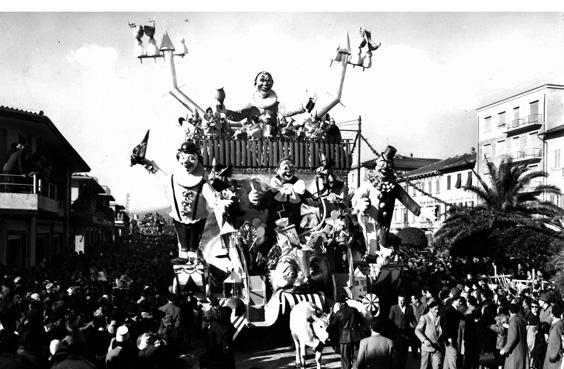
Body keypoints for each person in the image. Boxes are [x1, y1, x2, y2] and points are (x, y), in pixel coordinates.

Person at [351, 146, 420, 261]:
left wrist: (422, 211)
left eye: (388, 166)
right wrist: (359, 204)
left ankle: (379, 267)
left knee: (382, 248)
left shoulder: (393, 186)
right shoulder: (368, 185)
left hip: (383, 225)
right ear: (376, 166)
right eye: (382, 165)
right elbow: (354, 200)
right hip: (368, 222)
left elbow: (407, 201)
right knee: (370, 245)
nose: (385, 169)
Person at [328, 295, 365, 369]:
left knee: (345, 360)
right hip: (356, 337)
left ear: (340, 303)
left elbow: (332, 327)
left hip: (344, 339)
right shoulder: (354, 310)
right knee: (356, 358)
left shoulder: (339, 313)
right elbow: (362, 321)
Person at [389, 293, 418, 368]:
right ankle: (398, 365)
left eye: (403, 301)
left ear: (405, 300)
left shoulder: (409, 308)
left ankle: (403, 364)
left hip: (406, 332)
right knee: (398, 350)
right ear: (398, 300)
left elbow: (412, 319)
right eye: (400, 301)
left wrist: (417, 327)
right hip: (397, 333)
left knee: (405, 349)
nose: (401, 302)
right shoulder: (394, 308)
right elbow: (390, 321)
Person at [498, 303, 529, 369]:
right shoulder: (521, 319)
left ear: (509, 311)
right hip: (522, 350)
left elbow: (513, 338)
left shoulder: (513, 320)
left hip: (514, 352)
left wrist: (504, 349)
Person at [415, 300, 443, 369]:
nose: (437, 311)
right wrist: (424, 340)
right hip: (427, 347)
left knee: (437, 366)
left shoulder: (441, 317)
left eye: (438, 309)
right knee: (424, 367)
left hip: (438, 347)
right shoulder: (425, 317)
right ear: (430, 309)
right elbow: (417, 330)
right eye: (435, 309)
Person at [442, 295, 465, 369]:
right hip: (451, 338)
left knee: (447, 359)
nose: (460, 302)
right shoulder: (450, 311)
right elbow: (447, 325)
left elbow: (463, 317)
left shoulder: (454, 310)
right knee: (452, 358)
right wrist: (449, 337)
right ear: (453, 301)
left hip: (451, 338)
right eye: (459, 301)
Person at [543, 303, 564, 369]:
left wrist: (553, 357)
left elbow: (556, 343)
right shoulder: (560, 324)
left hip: (553, 358)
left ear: (552, 314)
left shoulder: (556, 327)